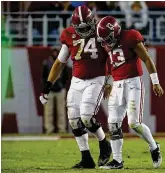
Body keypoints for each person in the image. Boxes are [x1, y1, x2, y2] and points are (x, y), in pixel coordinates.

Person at [39, 6, 111, 169]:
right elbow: (59, 62)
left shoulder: (101, 31)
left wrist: (109, 81)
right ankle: (86, 158)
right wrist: (47, 86)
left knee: (86, 116)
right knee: (73, 119)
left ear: (93, 21)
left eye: (88, 26)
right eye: (82, 27)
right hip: (77, 80)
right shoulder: (68, 34)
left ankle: (103, 142)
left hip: (96, 79)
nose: (85, 30)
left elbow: (112, 57)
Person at [97, 16, 164, 169]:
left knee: (134, 123)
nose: (106, 42)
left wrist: (155, 82)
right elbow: (109, 62)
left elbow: (147, 59)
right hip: (117, 84)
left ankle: (154, 147)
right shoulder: (107, 43)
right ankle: (117, 161)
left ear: (115, 31)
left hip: (134, 83)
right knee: (113, 123)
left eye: (108, 38)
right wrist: (108, 82)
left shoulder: (130, 36)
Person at [42, 48, 68, 134]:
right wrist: (46, 88)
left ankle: (62, 128)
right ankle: (49, 129)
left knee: (61, 111)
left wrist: (63, 86)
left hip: (60, 89)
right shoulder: (47, 64)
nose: (55, 54)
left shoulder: (63, 63)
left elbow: (66, 76)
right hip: (50, 90)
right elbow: (43, 77)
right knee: (48, 111)